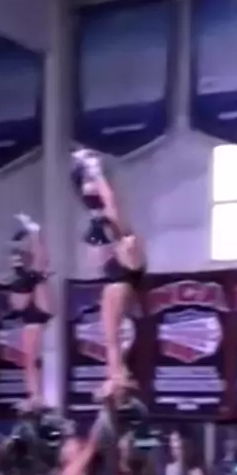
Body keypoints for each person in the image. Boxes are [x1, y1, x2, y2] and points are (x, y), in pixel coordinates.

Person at [71, 150, 145, 406]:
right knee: (111, 336)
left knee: (112, 335)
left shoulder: (119, 233)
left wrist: (94, 170)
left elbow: (110, 202)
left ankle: (118, 378)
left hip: (121, 276)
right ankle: (117, 376)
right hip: (118, 275)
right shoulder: (108, 230)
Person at [8, 214, 53, 408]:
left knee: (30, 359)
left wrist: (33, 234)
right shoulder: (25, 273)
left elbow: (40, 261)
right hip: (35, 312)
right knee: (29, 359)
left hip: (35, 314)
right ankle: (35, 394)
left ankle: (36, 396)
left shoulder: (31, 273)